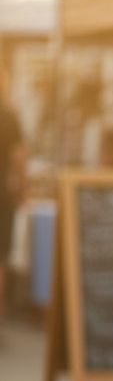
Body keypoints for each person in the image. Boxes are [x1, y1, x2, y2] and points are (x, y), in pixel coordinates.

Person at [0, 65, 26, 326]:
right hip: (1, 194)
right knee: (1, 255)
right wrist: (23, 189)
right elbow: (19, 157)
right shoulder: (9, 116)